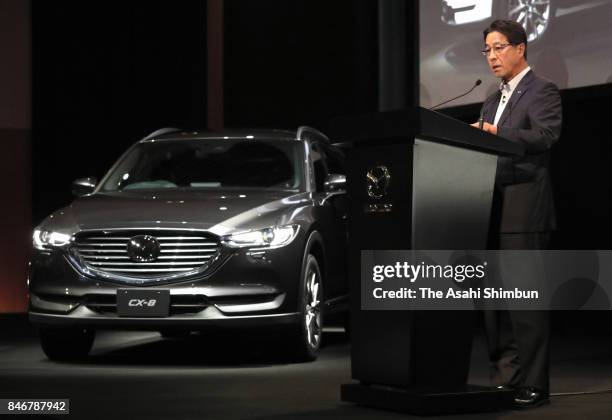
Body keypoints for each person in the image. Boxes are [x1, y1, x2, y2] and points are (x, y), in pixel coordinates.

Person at [471, 19, 562, 409]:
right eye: (487, 50)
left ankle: (535, 383)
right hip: (490, 208)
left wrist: (495, 135)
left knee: (525, 303)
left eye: (499, 48)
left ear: (520, 48)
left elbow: (545, 136)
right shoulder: (491, 99)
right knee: (494, 303)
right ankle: (506, 376)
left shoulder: (543, 90)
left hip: (524, 207)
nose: (492, 56)